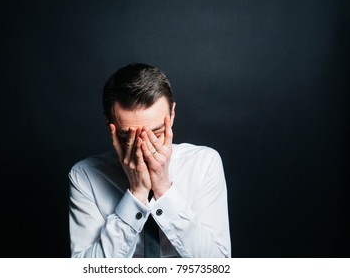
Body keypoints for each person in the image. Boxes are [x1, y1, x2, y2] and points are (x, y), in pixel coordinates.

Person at [68, 63, 231, 258]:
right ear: (110, 125)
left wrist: (163, 188)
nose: (142, 148)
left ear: (171, 115)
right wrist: (136, 194)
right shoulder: (84, 176)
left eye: (156, 133)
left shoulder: (204, 163)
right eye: (127, 137)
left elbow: (219, 264)